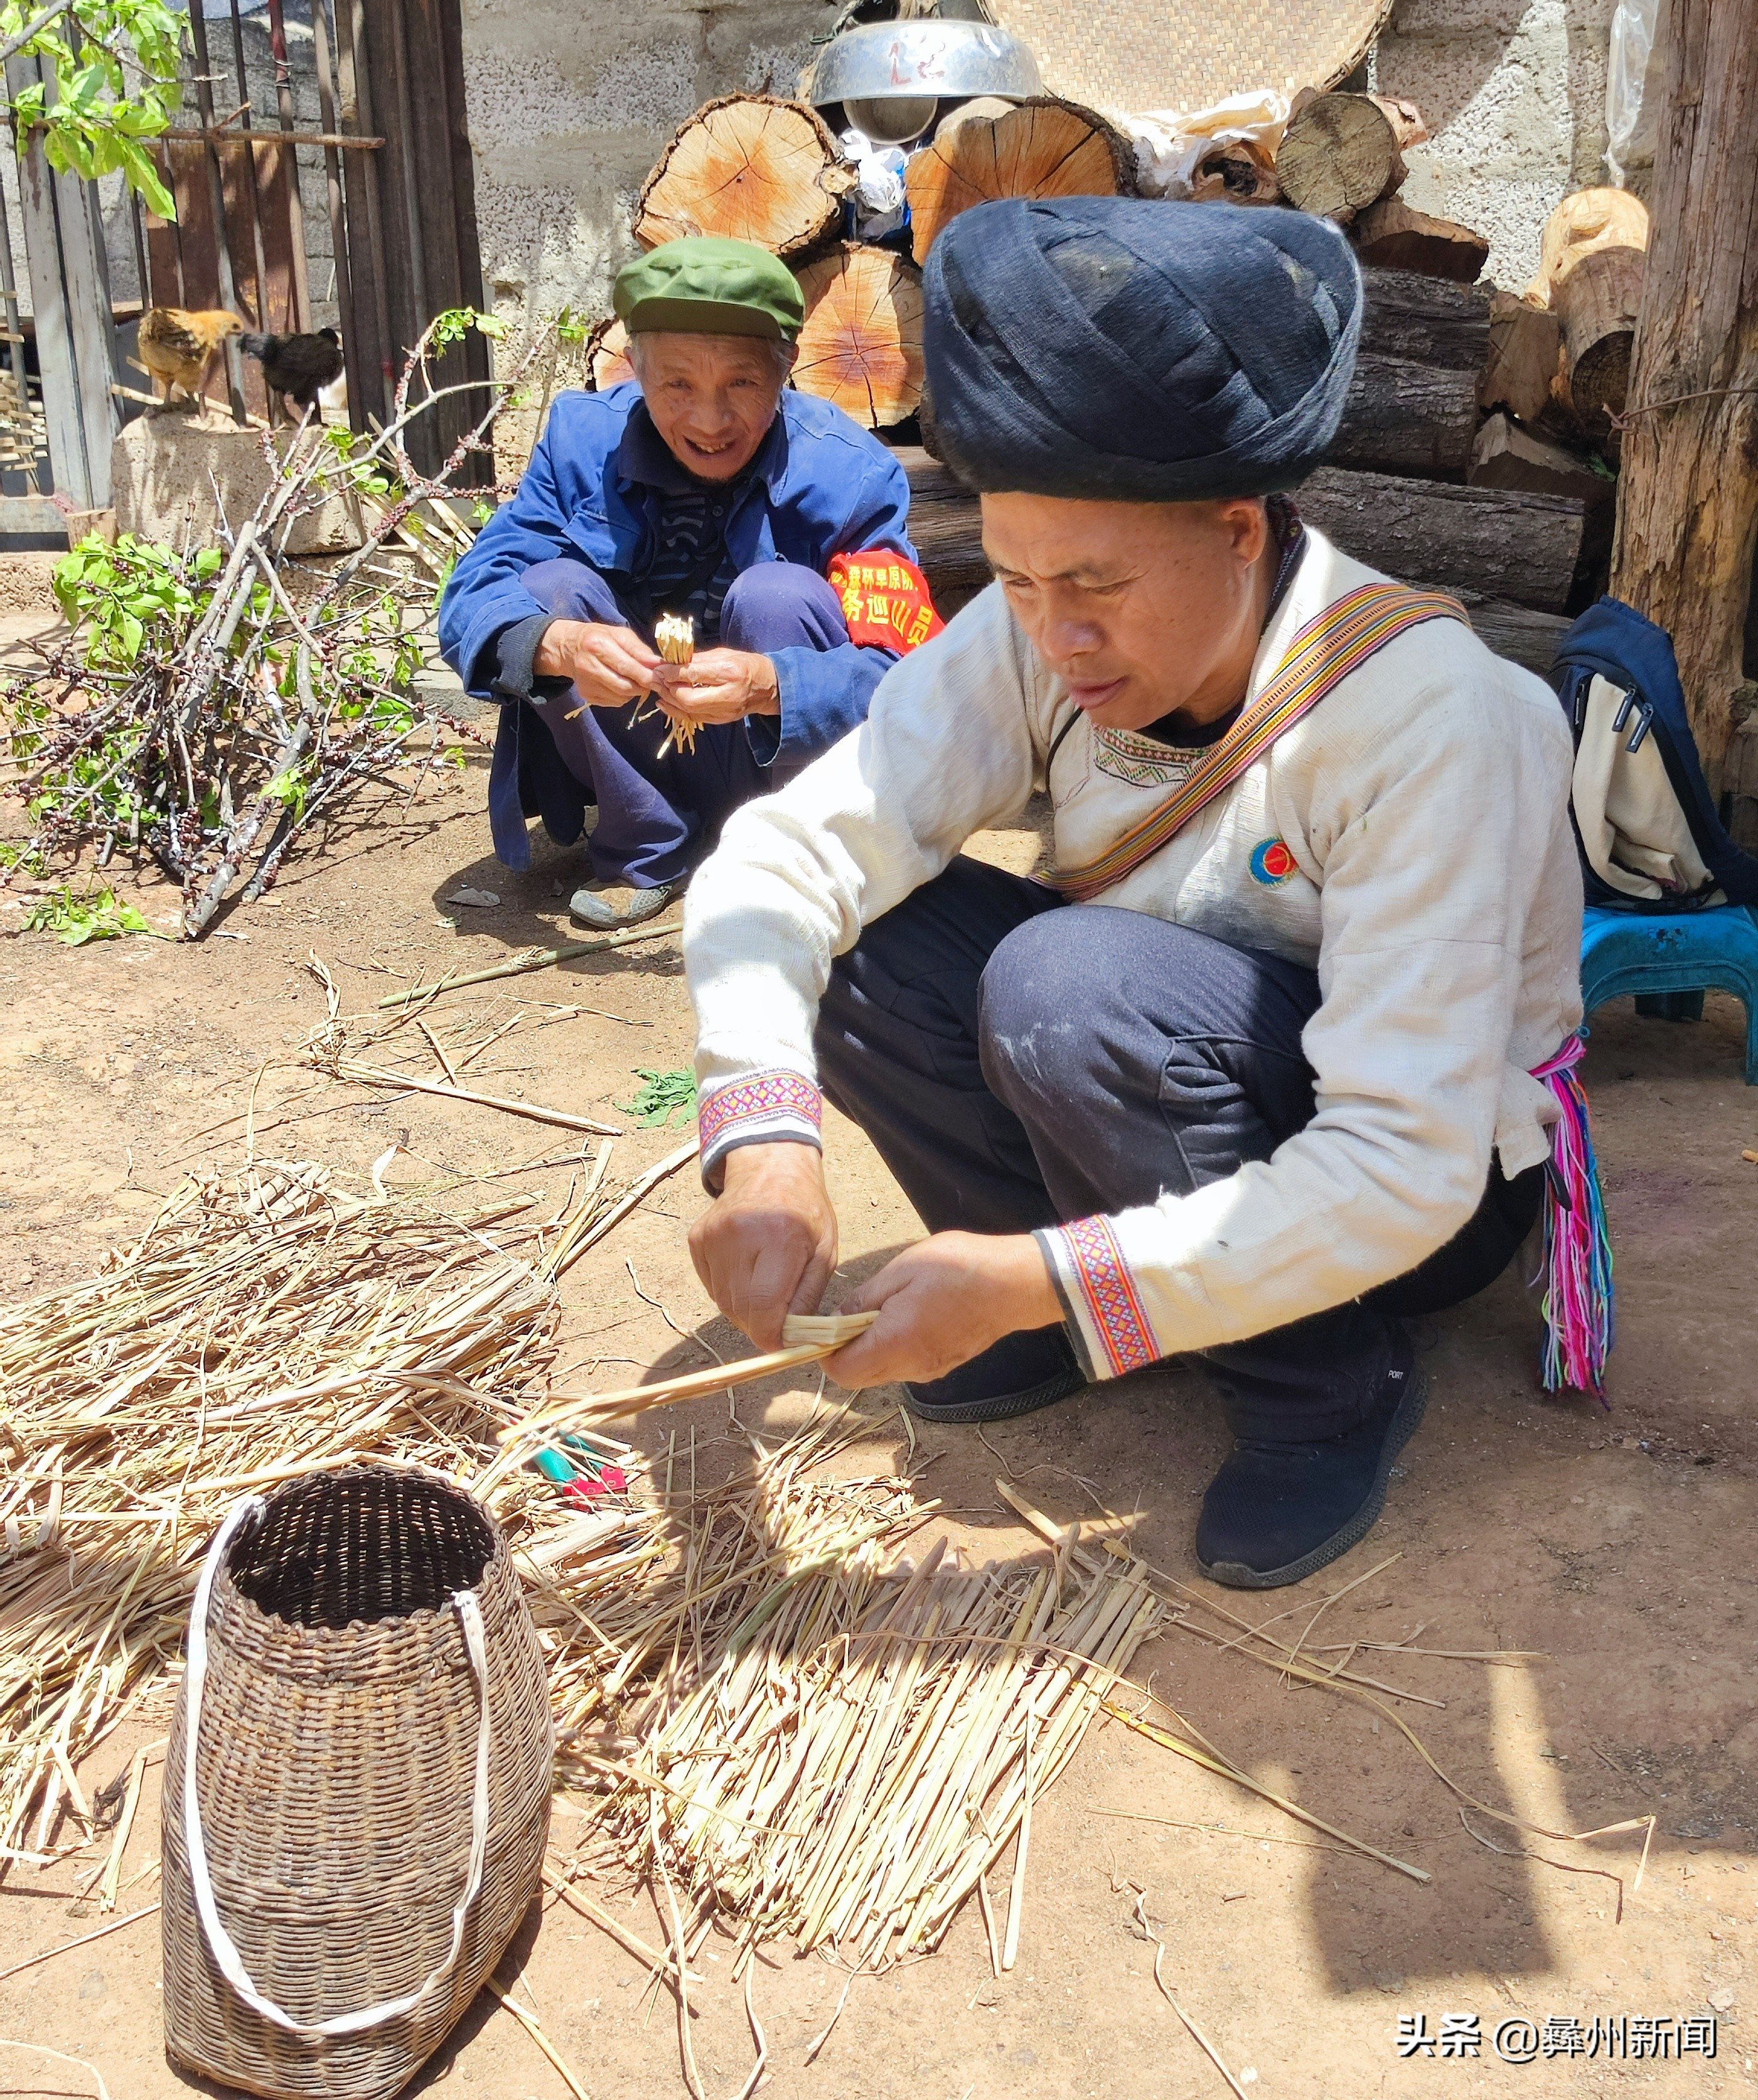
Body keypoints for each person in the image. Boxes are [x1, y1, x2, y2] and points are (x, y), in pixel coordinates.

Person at [682, 196, 1596, 1592]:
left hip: (1423, 1191)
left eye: (1095, 583)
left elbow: (1404, 1161)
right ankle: (1053, 1326)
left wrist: (1045, 1268)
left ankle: (1321, 1382)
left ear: (1238, 531)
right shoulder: (1034, 627)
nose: (1057, 633)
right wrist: (759, 1127)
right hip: (1150, 1064)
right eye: (1018, 577)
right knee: (863, 940)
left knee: (1065, 991)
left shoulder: (1429, 719)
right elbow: (784, 854)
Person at [439, 237, 937, 926]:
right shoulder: (579, 443)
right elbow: (471, 596)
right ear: (635, 369)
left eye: (740, 383)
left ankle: (793, 857)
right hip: (630, 742)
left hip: (776, 750)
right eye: (677, 384)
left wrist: (773, 683)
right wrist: (554, 643)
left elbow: (909, 673)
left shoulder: (850, 475)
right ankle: (645, 843)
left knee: (777, 595)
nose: (708, 421)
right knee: (550, 590)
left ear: (786, 367)